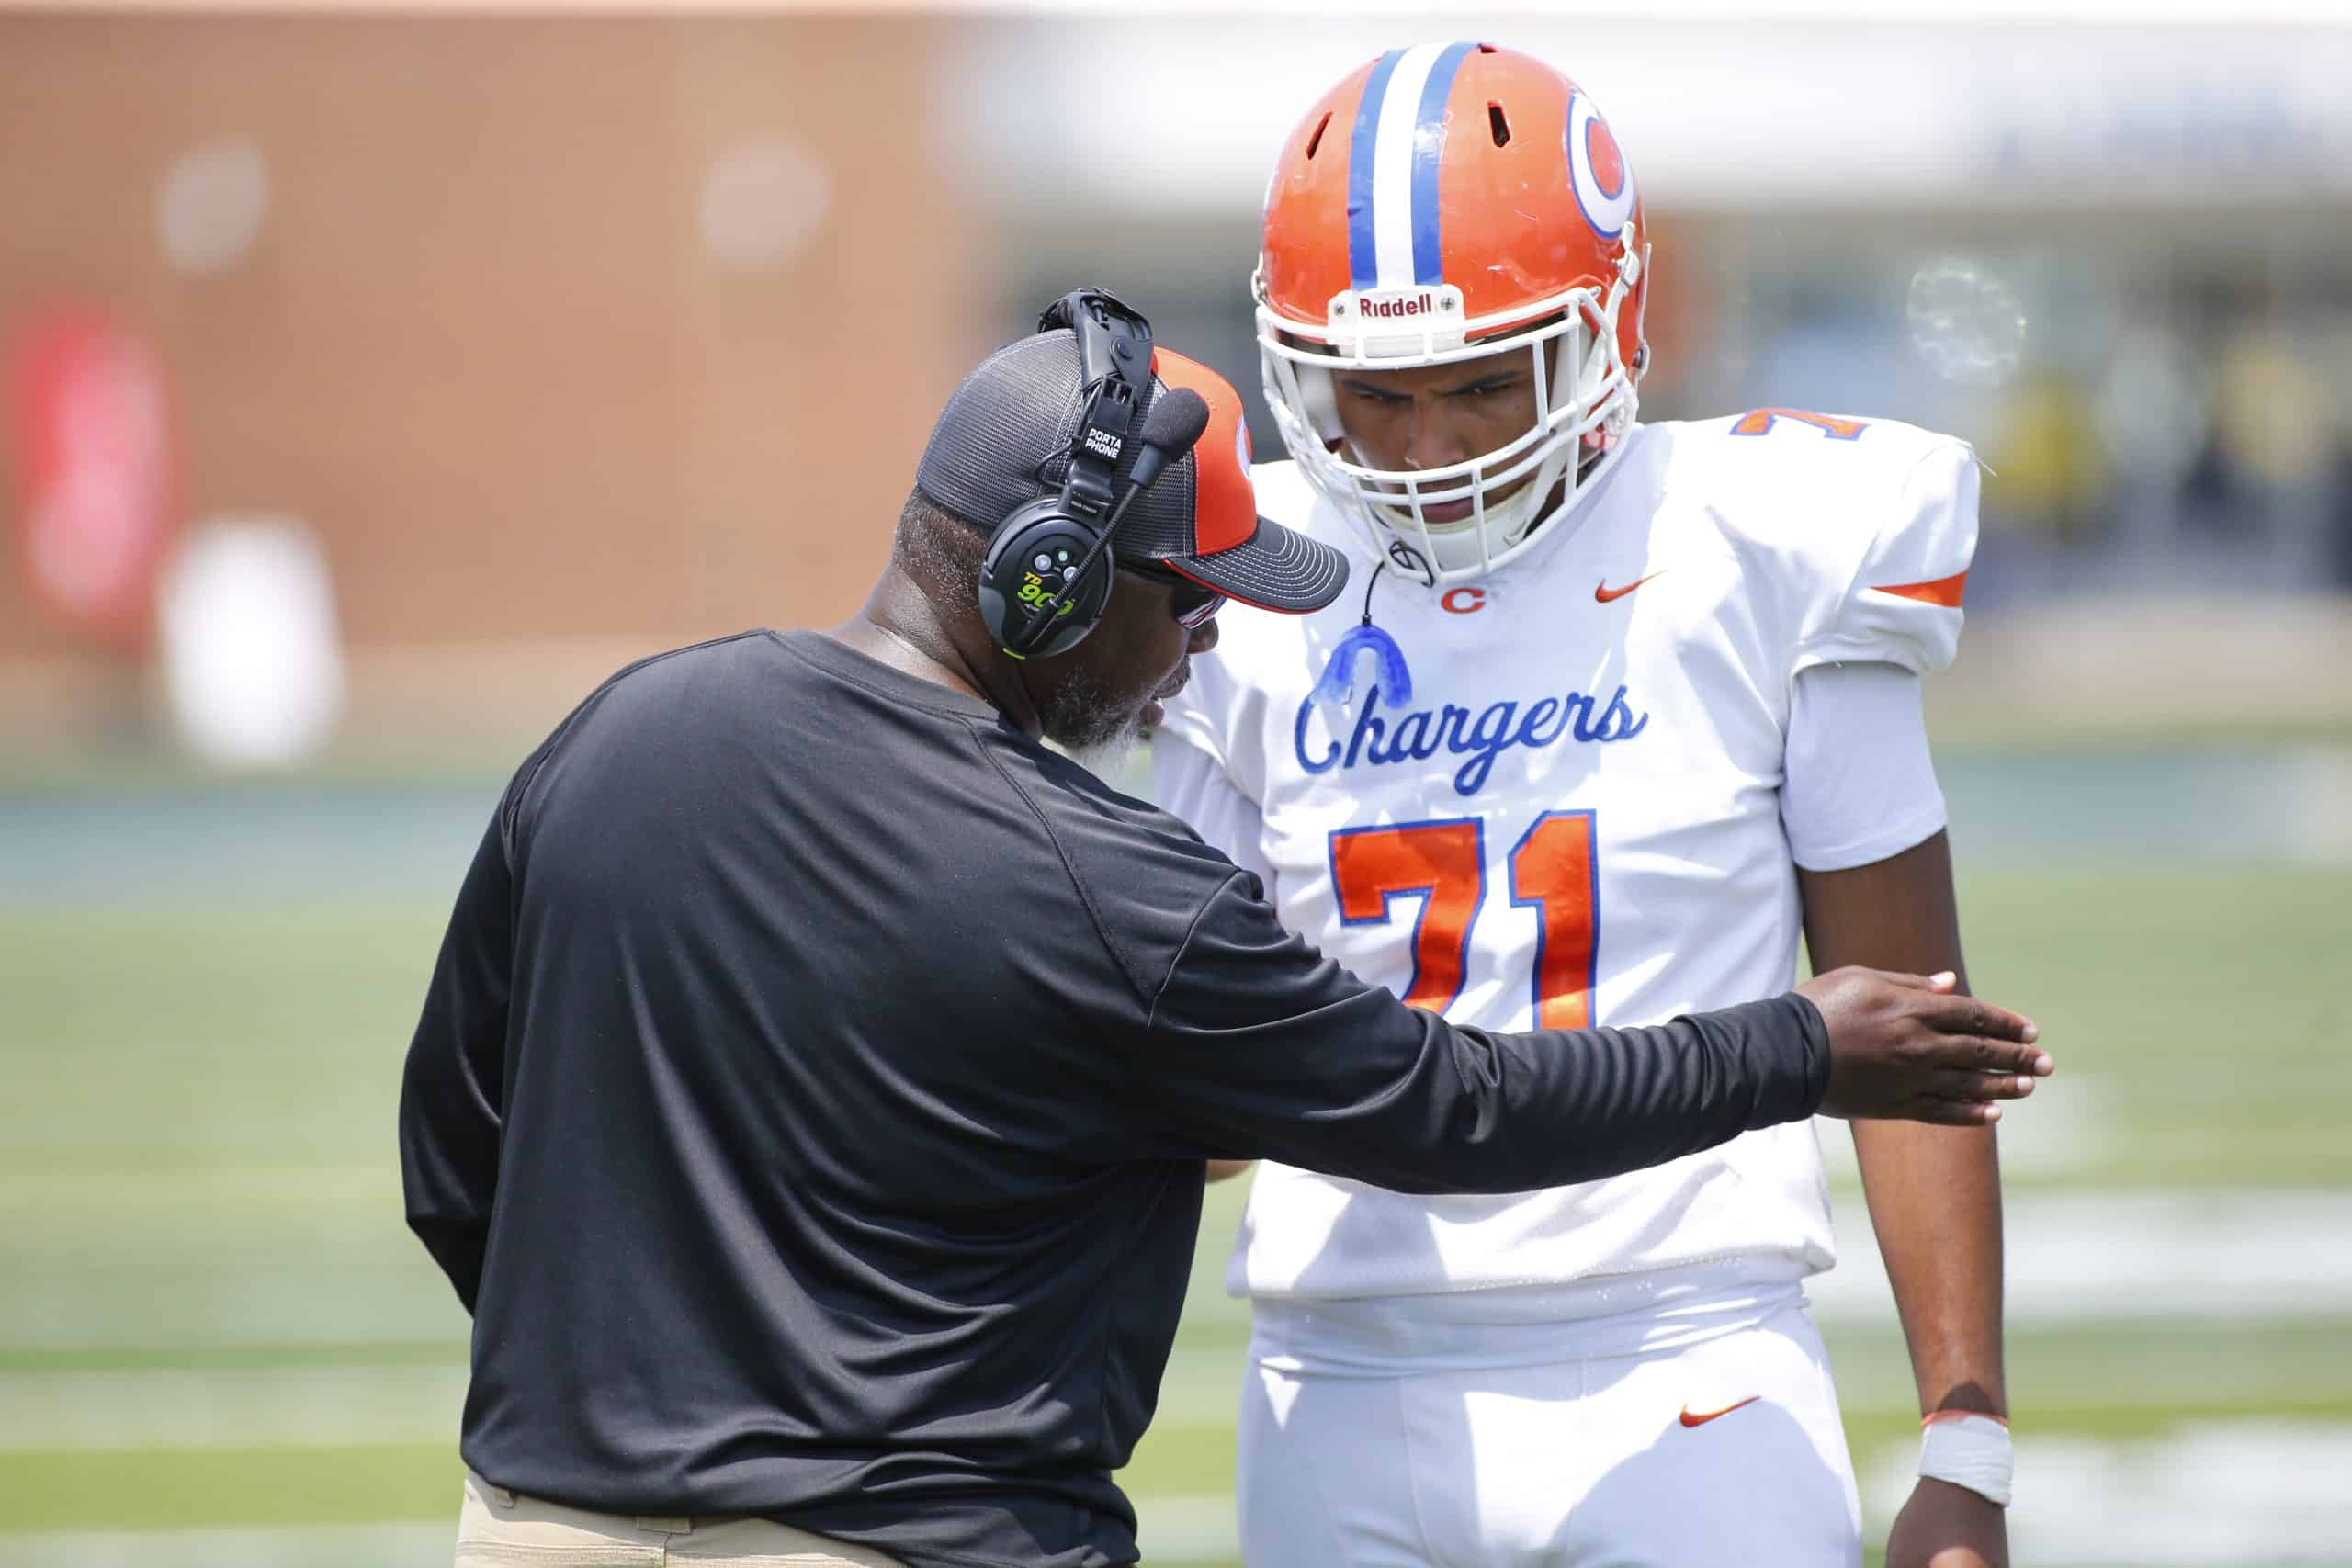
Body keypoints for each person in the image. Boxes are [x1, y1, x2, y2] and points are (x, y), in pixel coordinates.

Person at [400, 291, 2049, 1568]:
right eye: (1188, 591)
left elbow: (452, 1152)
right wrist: (1797, 1047)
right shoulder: (1100, 890)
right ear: (1051, 580)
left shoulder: (617, 733)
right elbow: (1453, 1110)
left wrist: (626, 1411)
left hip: (533, 1528)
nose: (1207, 640)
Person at [1152, 44, 2021, 1568]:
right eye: (1373, 394)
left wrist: (1967, 1442)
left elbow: (1911, 1030)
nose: (1424, 448)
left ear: (1609, 325)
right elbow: (1197, 1112)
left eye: (1486, 383)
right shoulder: (1246, 578)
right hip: (1335, 1373)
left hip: (1688, 1362)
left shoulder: (1765, 543)